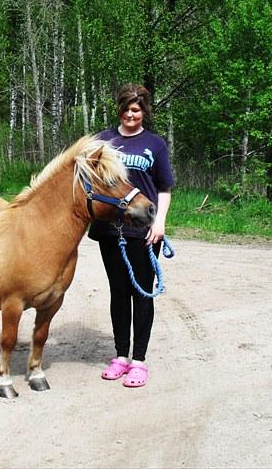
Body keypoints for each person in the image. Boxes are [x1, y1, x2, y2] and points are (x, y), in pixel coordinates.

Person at [88, 83, 174, 388]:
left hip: (144, 230)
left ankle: (139, 360)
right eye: (125, 108)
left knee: (141, 293)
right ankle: (121, 356)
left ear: (144, 112)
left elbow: (164, 189)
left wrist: (160, 222)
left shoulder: (155, 144)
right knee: (118, 293)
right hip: (110, 230)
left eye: (135, 109)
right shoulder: (103, 141)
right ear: (119, 109)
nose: (130, 114)